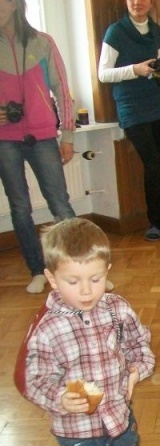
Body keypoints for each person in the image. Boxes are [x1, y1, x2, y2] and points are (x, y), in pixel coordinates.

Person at [23, 218, 155, 446]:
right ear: (52, 279)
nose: (86, 291)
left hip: (118, 413)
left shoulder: (117, 308)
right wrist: (60, 399)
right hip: (77, 431)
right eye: (73, 281)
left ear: (107, 271)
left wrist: (136, 370)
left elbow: (139, 343)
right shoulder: (48, 330)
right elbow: (34, 380)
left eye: (95, 279)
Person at [0, 0, 77, 294]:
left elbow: (62, 90)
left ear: (15, 4)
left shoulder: (43, 42)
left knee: (60, 204)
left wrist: (67, 136)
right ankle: (37, 270)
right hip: (5, 140)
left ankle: (79, 266)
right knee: (20, 208)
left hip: (43, 136)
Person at [98, 0, 160, 242]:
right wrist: (135, 69)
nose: (137, 2)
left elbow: (158, 65)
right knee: (153, 164)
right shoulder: (116, 31)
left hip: (157, 104)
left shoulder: (155, 30)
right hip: (132, 108)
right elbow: (103, 74)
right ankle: (156, 223)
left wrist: (159, 70)